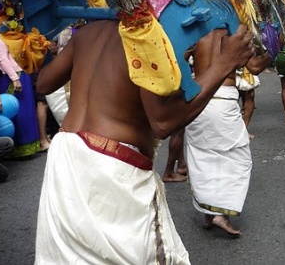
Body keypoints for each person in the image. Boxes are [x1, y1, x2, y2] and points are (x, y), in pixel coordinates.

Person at [35, 20, 254, 263]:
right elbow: (162, 124)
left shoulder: (88, 32)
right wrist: (225, 63)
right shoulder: (143, 35)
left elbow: (44, 83)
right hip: (112, 168)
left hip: (66, 153)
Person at [184, 30, 270, 237]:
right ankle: (221, 215)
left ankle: (207, 213)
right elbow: (255, 67)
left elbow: (178, 61)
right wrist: (271, 51)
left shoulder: (194, 31)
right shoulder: (235, 31)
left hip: (197, 98)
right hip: (223, 101)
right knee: (237, 159)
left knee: (202, 155)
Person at [0, 11, 44, 156]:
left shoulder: (2, 34)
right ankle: (20, 148)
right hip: (11, 76)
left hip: (16, 73)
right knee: (20, 111)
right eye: (7, 19)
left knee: (26, 110)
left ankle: (29, 146)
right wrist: (15, 79)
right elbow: (2, 59)